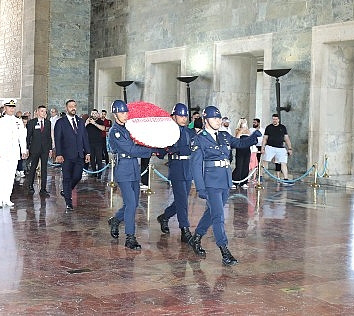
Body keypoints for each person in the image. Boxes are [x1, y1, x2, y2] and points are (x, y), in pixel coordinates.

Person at [189, 105, 260, 265]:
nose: (218, 121)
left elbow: (240, 144)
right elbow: (195, 165)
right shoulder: (199, 139)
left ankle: (196, 238)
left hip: (225, 181)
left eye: (219, 118)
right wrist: (200, 188)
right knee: (219, 216)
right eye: (215, 118)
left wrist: (254, 136)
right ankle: (224, 250)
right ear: (206, 119)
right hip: (211, 183)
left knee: (212, 213)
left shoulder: (224, 136)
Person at [107, 100, 160, 250]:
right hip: (123, 169)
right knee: (130, 204)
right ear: (115, 114)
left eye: (126, 112)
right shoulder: (115, 131)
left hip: (134, 169)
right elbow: (130, 149)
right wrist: (152, 151)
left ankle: (116, 220)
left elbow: (138, 143)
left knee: (134, 203)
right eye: (122, 113)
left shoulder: (128, 129)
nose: (125, 115)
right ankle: (130, 237)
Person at [156, 103, 195, 244]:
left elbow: (192, 149)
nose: (184, 118)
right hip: (177, 167)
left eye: (185, 116)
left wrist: (179, 149)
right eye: (181, 115)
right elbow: (161, 152)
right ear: (173, 117)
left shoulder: (191, 132)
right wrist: (160, 148)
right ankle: (185, 230)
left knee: (181, 200)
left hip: (188, 167)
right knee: (182, 200)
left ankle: (165, 217)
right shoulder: (168, 132)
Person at [54, 99, 91, 210]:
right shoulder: (61, 122)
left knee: (77, 176)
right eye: (71, 106)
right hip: (66, 155)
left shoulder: (80, 121)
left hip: (79, 155)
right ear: (66, 108)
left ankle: (66, 190)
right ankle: (68, 202)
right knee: (67, 178)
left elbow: (85, 137)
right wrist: (59, 154)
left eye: (74, 106)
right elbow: (58, 139)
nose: (73, 108)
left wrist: (88, 152)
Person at [0, 99, 28, 208]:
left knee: (11, 176)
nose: (12, 109)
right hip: (3, 152)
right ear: (5, 108)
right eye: (9, 107)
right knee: (2, 175)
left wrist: (23, 150)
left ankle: (7, 198)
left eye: (13, 107)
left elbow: (22, 137)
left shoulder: (18, 121)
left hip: (14, 152)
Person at [25, 105, 52, 196]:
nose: (44, 113)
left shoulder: (48, 123)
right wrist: (27, 148)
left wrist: (50, 149)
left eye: (45, 111)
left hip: (44, 149)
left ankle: (43, 189)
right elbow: (28, 137)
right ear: (37, 112)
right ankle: (30, 186)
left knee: (44, 168)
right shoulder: (32, 122)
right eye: (42, 111)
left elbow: (49, 137)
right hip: (35, 148)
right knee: (33, 167)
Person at [262, 113, 294, 184]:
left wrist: (290, 148)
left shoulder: (282, 127)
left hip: (280, 148)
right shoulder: (269, 127)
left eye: (276, 119)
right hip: (270, 147)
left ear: (278, 120)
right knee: (265, 161)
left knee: (283, 163)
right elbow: (265, 138)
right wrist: (262, 148)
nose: (274, 120)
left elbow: (286, 138)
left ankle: (285, 179)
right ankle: (260, 177)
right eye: (273, 119)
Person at [85, 109, 106, 178]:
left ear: (97, 114)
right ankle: (94, 172)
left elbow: (103, 128)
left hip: (98, 143)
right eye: (92, 113)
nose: (93, 115)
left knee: (99, 158)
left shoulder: (100, 121)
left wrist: (94, 123)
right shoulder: (88, 121)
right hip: (89, 143)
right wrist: (86, 123)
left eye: (95, 113)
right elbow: (81, 129)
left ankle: (99, 173)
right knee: (92, 159)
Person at [232, 118, 252, 189]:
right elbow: (237, 138)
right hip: (240, 149)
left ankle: (244, 182)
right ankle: (234, 181)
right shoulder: (237, 130)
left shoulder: (248, 131)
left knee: (245, 166)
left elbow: (250, 139)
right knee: (239, 165)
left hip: (247, 149)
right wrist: (241, 131)